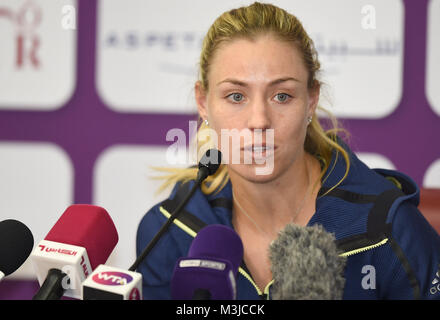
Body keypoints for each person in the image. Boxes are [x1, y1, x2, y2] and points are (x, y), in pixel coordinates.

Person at [136, 2, 440, 299]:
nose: (259, 121)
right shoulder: (170, 230)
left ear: (310, 101)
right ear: (203, 103)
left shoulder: (387, 230)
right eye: (236, 96)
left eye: (282, 96)